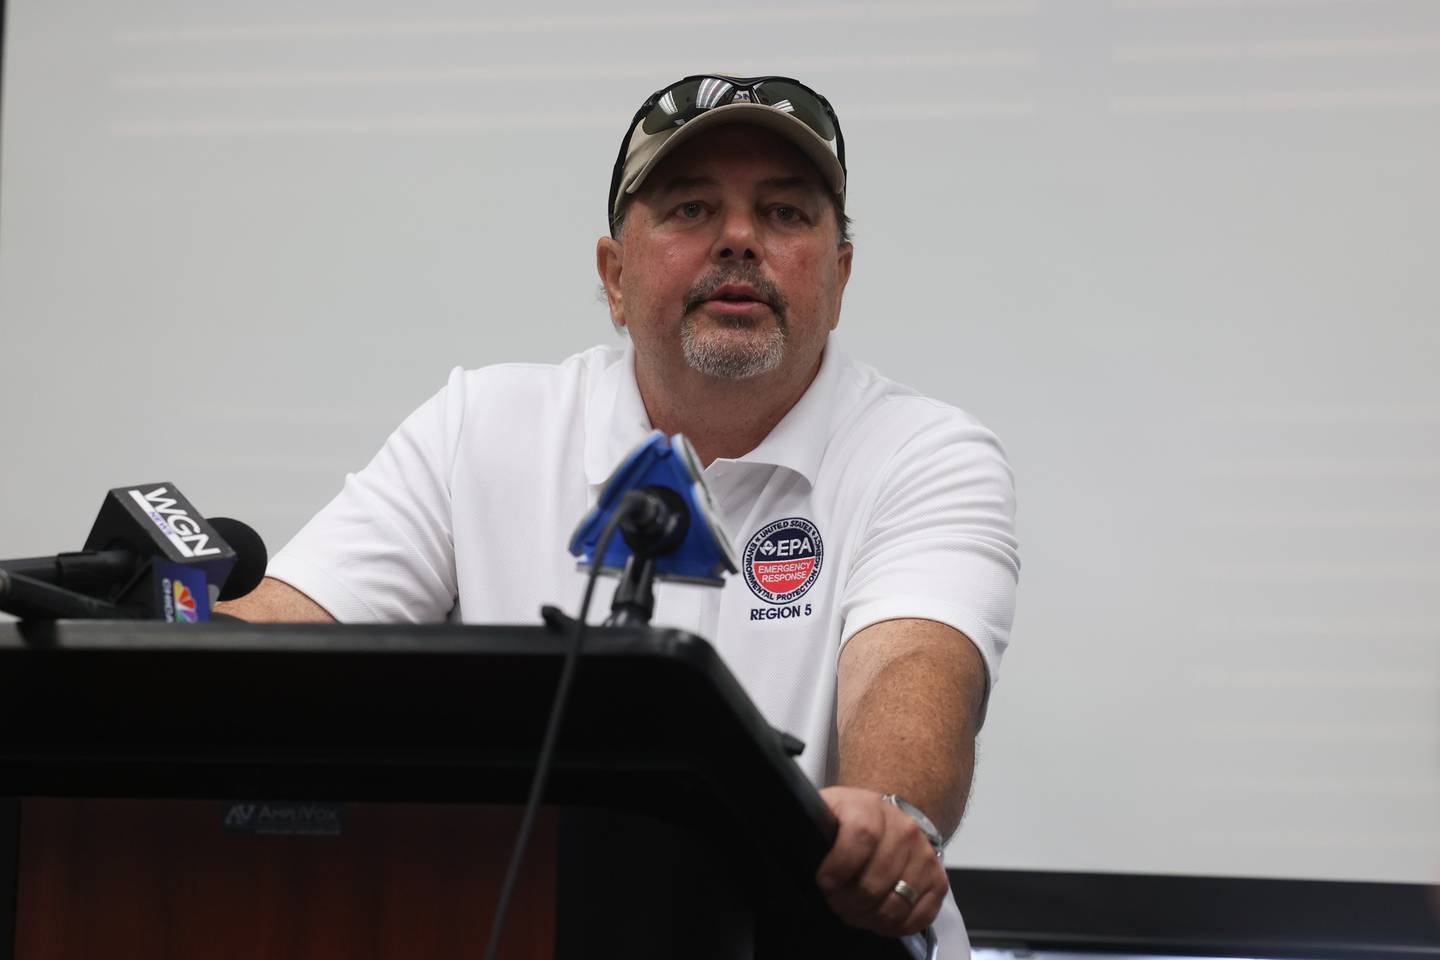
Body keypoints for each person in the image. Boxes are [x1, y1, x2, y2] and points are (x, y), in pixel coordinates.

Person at [220, 74, 1019, 957]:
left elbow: (913, 666)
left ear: (839, 274)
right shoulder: (480, 425)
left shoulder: (925, 451)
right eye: (689, 209)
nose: (741, 240)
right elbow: (282, 637)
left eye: (787, 214)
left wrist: (889, 814)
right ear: (614, 275)